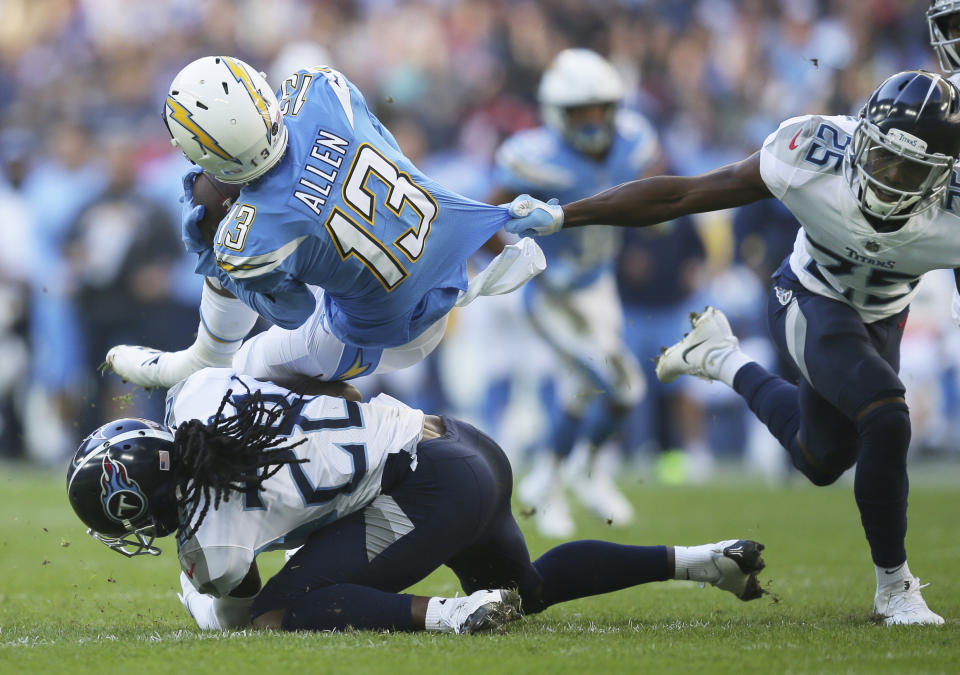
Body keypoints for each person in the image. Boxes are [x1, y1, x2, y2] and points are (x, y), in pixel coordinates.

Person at [503, 70, 957, 626]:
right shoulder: (812, 152)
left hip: (886, 316)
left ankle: (721, 357)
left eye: (907, 171)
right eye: (880, 157)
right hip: (810, 296)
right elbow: (686, 192)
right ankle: (896, 589)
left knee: (821, 458)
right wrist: (567, 214)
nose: (886, 178)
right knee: (886, 414)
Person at [66, 368, 768, 634]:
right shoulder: (200, 392)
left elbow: (238, 611)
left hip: (426, 490)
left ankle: (449, 613)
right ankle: (707, 561)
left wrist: (191, 591)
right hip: (454, 438)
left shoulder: (213, 541)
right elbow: (308, 378)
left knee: (287, 609)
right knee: (526, 589)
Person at [106, 55, 544, 392]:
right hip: (445, 266)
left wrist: (218, 260)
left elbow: (294, 312)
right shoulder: (319, 87)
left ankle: (204, 361)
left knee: (234, 380)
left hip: (389, 331)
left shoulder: (256, 233)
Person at [489, 48, 656, 537]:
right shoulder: (532, 156)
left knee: (583, 391)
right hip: (552, 290)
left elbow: (654, 186)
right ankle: (567, 473)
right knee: (621, 384)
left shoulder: (635, 141)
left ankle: (555, 479)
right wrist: (507, 259)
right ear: (556, 113)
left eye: (599, 108)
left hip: (600, 284)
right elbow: (490, 209)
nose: (592, 120)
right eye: (580, 110)